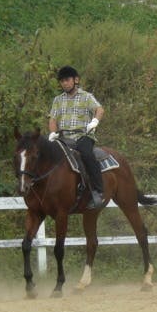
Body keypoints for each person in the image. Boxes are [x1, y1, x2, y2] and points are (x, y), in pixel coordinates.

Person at [48, 66, 105, 209]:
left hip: (83, 135)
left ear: (76, 80)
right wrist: (53, 133)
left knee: (86, 154)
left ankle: (98, 191)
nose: (64, 83)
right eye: (62, 81)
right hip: (64, 137)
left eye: (67, 80)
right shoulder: (57, 100)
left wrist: (95, 121)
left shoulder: (86, 96)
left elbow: (99, 109)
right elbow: (53, 119)